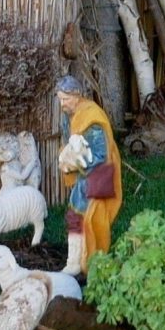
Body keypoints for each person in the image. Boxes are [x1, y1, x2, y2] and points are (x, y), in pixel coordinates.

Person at [55, 74, 121, 275]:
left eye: (66, 99)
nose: (62, 104)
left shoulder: (92, 119)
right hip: (83, 180)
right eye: (60, 99)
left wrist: (73, 164)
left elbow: (100, 155)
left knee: (90, 218)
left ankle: (90, 261)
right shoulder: (69, 115)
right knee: (75, 215)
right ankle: (74, 261)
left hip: (96, 179)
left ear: (77, 95)